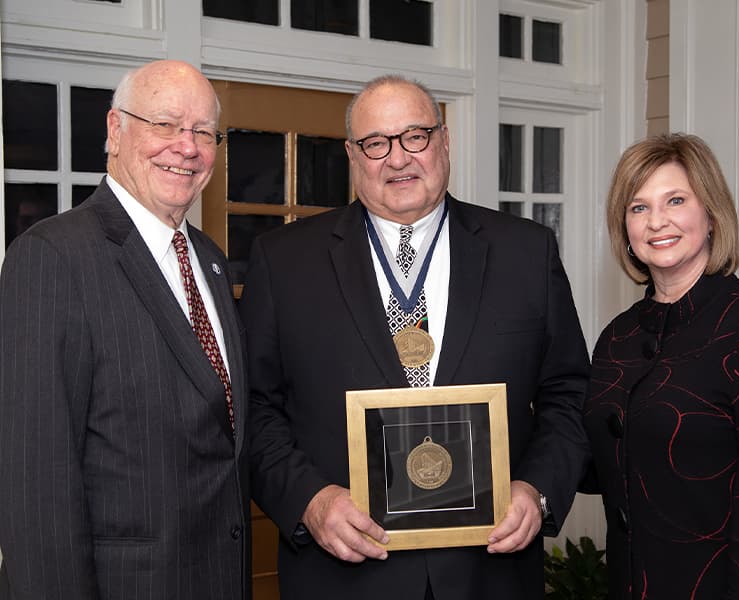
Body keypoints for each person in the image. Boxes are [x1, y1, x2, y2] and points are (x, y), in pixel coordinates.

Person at [240, 74, 590, 599]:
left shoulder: (526, 253)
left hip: (489, 573)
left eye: (415, 136)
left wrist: (537, 490)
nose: (398, 158)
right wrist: (310, 501)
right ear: (353, 156)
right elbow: (254, 408)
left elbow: (569, 394)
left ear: (444, 141)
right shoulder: (283, 261)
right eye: (376, 143)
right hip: (344, 575)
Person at [0, 60, 251, 599]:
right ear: (115, 130)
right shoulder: (52, 258)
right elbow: (35, 488)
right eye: (164, 124)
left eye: (204, 132)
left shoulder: (208, 259)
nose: (187, 147)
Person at [584, 133, 739, 598]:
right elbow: (601, 464)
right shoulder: (618, 338)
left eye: (675, 200)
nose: (656, 221)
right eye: (638, 207)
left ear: (711, 212)